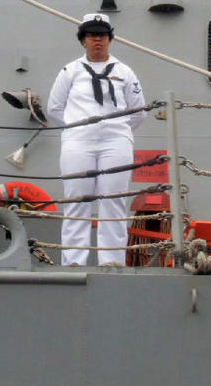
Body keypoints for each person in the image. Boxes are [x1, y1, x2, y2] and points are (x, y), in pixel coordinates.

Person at [46, 13, 147, 266]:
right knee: (76, 199)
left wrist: (116, 129)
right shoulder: (70, 71)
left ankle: (111, 260)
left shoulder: (124, 71)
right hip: (78, 142)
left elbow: (138, 111)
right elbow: (55, 108)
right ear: (83, 41)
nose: (97, 41)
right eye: (92, 36)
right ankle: (73, 260)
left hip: (115, 142)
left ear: (110, 39)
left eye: (102, 36)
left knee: (114, 200)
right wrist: (77, 129)